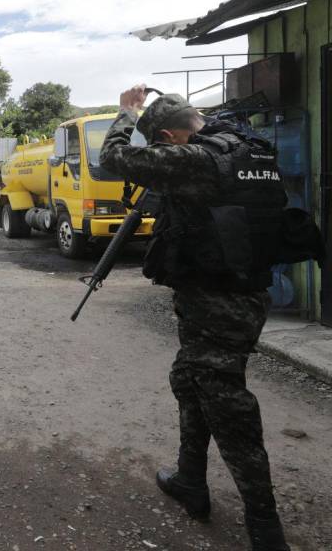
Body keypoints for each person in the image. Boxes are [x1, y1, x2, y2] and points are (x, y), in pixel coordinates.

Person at [100, 85, 290, 551]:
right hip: (247, 292)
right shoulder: (250, 151)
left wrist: (127, 113)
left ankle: (266, 529)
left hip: (216, 300)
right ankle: (190, 480)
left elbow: (113, 157)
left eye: (161, 145)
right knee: (188, 379)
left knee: (230, 409)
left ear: (169, 135)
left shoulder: (194, 160)